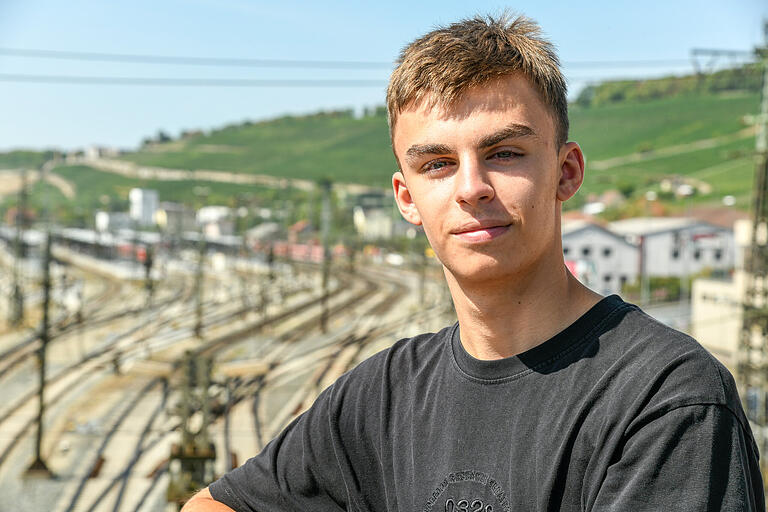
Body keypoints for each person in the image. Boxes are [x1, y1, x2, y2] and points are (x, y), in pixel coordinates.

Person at [183, 13, 764, 511]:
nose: (471, 187)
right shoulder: (383, 395)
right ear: (406, 197)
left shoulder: (665, 399)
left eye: (504, 153)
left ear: (566, 171)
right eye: (436, 163)